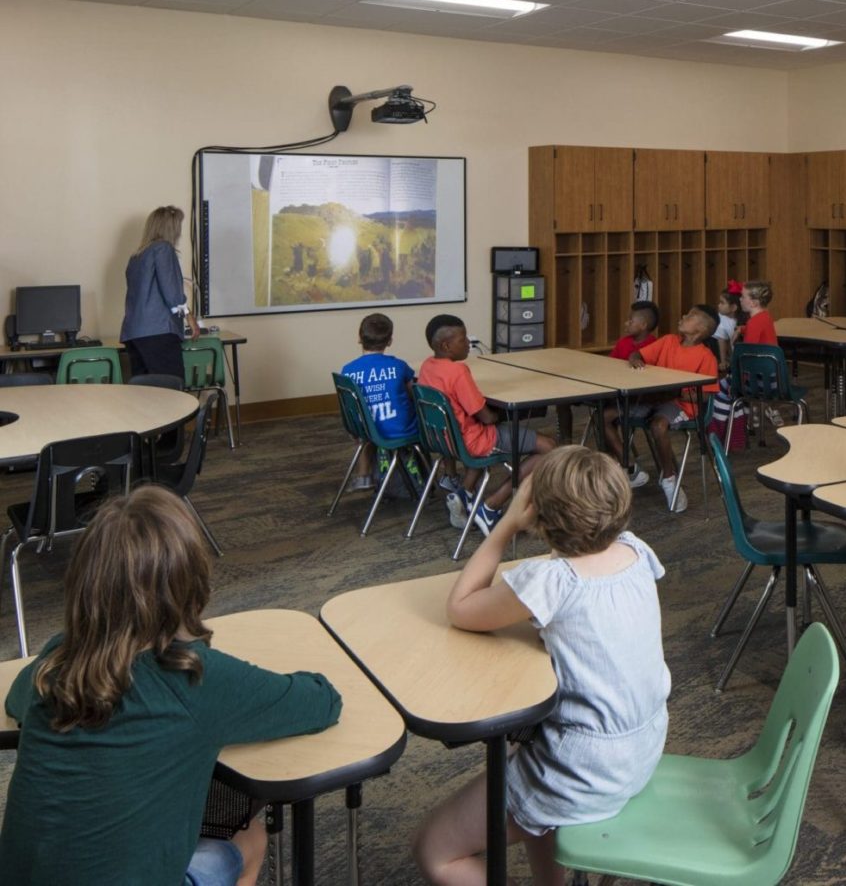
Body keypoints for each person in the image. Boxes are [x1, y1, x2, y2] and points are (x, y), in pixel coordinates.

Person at [0, 485, 341, 886]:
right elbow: (322, 702)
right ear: (191, 584)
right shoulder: (197, 678)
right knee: (249, 839)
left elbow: (15, 700)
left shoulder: (57, 660)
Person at [414, 446, 670, 886]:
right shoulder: (635, 550)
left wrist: (505, 526)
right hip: (642, 750)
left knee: (436, 851)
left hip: (583, 771)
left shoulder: (552, 581)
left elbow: (461, 608)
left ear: (541, 517)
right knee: (528, 758)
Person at [418, 314, 556, 536]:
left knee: (499, 431)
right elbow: (486, 418)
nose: (468, 344)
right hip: (474, 441)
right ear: (446, 345)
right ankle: (491, 506)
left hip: (444, 440)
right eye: (462, 340)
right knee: (549, 447)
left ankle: (465, 494)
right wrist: (501, 414)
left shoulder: (428, 366)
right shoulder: (458, 371)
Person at [603, 307, 718, 513]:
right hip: (653, 398)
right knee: (605, 416)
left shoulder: (706, 356)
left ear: (700, 329)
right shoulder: (668, 341)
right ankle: (629, 467)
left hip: (680, 405)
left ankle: (669, 478)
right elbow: (638, 353)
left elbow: (706, 395)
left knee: (658, 426)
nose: (683, 316)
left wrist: (675, 391)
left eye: (690, 317)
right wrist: (635, 359)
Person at [555, 301, 659, 442]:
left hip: (631, 397)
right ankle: (565, 441)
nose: (625, 323)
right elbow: (609, 365)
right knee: (562, 397)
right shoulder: (623, 342)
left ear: (643, 325)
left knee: (603, 414)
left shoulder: (654, 346)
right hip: (609, 389)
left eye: (630, 321)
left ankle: (615, 456)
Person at [341, 312, 418, 492]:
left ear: (359, 338)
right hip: (400, 430)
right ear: (390, 341)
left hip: (363, 429)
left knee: (368, 426)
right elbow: (412, 393)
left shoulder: (348, 370)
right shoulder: (399, 366)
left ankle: (363, 475)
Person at [120, 205, 199, 380]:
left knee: (146, 393)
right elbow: (172, 293)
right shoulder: (163, 248)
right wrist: (189, 316)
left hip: (134, 335)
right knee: (172, 391)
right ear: (172, 228)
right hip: (158, 332)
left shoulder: (137, 256)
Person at [708, 279, 779, 436]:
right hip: (772, 378)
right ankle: (746, 418)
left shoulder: (754, 323)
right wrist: (742, 328)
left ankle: (722, 433)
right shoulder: (765, 317)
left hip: (758, 381)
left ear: (753, 303)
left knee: (718, 390)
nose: (740, 299)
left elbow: (747, 358)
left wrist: (735, 376)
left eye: (743, 297)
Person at [712, 283, 747, 372]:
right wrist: (723, 361)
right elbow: (722, 339)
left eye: (722, 303)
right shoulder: (721, 317)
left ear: (733, 307)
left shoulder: (746, 319)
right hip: (734, 356)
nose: (718, 305)